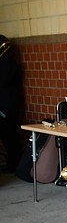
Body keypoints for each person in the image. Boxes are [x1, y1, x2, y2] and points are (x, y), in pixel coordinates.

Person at [0, 35, 23, 172]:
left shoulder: (9, 63)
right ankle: (13, 162)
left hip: (8, 104)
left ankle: (15, 163)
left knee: (9, 135)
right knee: (7, 135)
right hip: (5, 102)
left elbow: (3, 81)